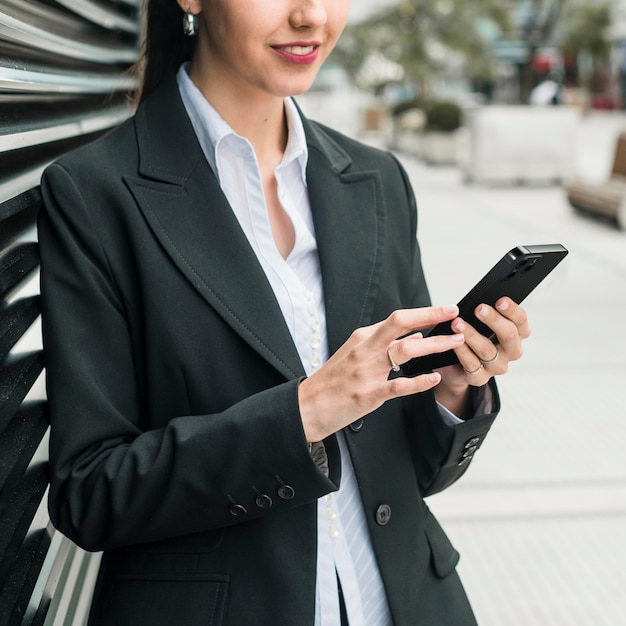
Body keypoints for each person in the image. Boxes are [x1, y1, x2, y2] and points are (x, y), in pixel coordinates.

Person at [37, 1, 531, 624]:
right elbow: (90, 493)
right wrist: (304, 413)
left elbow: (410, 475)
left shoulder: (377, 180)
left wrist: (454, 391)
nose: (311, 16)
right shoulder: (95, 193)